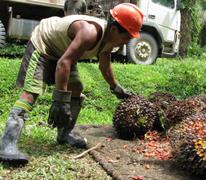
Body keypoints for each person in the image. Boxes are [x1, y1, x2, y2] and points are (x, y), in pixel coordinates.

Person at [0, 3, 143, 165]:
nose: (126, 43)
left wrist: (116, 88)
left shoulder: (110, 41)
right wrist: (60, 100)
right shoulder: (89, 33)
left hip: (64, 51)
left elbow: (104, 66)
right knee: (32, 92)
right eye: (127, 37)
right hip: (44, 45)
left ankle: (64, 134)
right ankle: (7, 144)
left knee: (76, 88)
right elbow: (63, 64)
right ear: (114, 30)